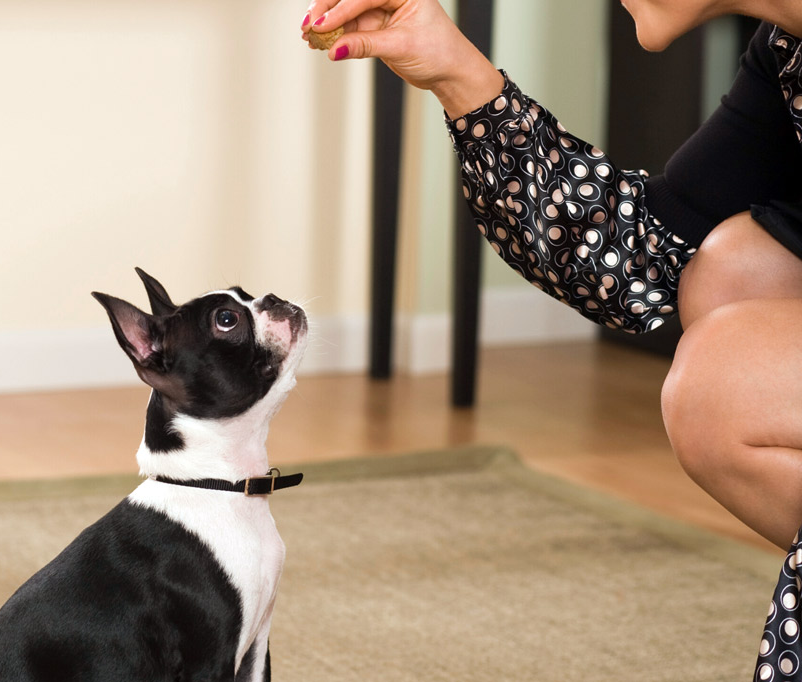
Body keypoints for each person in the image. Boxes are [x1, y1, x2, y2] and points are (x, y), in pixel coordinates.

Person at [300, 0, 802, 678]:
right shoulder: (788, 50)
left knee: (728, 372)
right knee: (733, 272)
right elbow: (637, 256)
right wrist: (457, 72)